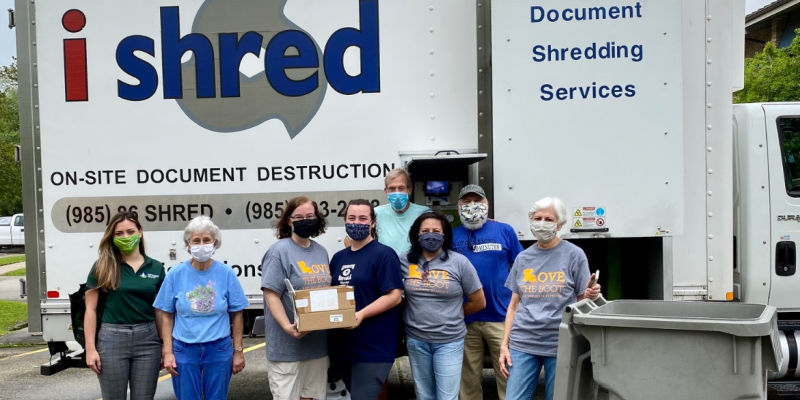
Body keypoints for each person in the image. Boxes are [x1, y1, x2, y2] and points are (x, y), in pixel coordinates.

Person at [499, 197, 601, 400]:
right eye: (537, 218)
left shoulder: (574, 255)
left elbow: (583, 302)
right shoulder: (523, 258)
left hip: (560, 343)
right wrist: (504, 344)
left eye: (548, 219)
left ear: (560, 224)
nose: (542, 223)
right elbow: (513, 306)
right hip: (523, 342)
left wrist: (590, 294)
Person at [153, 216, 249, 400]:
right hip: (184, 349)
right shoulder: (175, 274)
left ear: (215, 243)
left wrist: (238, 352)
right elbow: (165, 314)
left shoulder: (226, 273)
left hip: (219, 348)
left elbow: (237, 314)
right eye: (196, 240)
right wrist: (167, 351)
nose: (201, 244)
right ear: (188, 245)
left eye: (207, 240)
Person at [400, 211, 486, 400]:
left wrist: (454, 313)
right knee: (424, 395)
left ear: (445, 235)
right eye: (425, 231)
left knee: (447, 396)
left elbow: (479, 301)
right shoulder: (405, 260)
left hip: (449, 341)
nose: (431, 234)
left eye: (436, 230)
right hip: (416, 339)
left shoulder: (459, 262)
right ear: (416, 234)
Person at [452, 185, 523, 400]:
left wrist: (522, 304)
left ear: (487, 205)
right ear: (458, 207)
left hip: (501, 318)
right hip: (466, 318)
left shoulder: (504, 230)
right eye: (466, 202)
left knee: (508, 375)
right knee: (468, 380)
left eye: (477, 201)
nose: (472, 206)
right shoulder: (452, 235)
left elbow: (522, 268)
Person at [84, 211, 165, 400]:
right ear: (111, 237)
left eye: (130, 231)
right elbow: (90, 310)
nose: (126, 237)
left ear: (140, 232)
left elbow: (161, 311)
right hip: (111, 339)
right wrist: (90, 349)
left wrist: (165, 346)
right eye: (119, 233)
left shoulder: (156, 268)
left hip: (148, 340)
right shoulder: (102, 267)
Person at [329, 199, 403, 400]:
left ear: (372, 223)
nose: (357, 222)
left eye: (363, 218)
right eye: (351, 218)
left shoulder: (384, 255)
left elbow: (394, 296)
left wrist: (361, 314)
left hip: (374, 348)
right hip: (345, 347)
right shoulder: (338, 258)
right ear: (345, 221)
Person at [261, 196, 331, 400]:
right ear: (289, 220)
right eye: (299, 216)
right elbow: (271, 293)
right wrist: (287, 326)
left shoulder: (321, 251)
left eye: (310, 216)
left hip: (317, 347)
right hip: (287, 348)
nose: (305, 220)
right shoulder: (278, 251)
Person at [375, 168, 430, 254]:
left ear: (409, 190)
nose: (397, 193)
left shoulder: (424, 214)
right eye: (392, 189)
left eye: (401, 188)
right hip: (386, 266)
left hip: (414, 265)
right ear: (386, 191)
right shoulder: (376, 213)